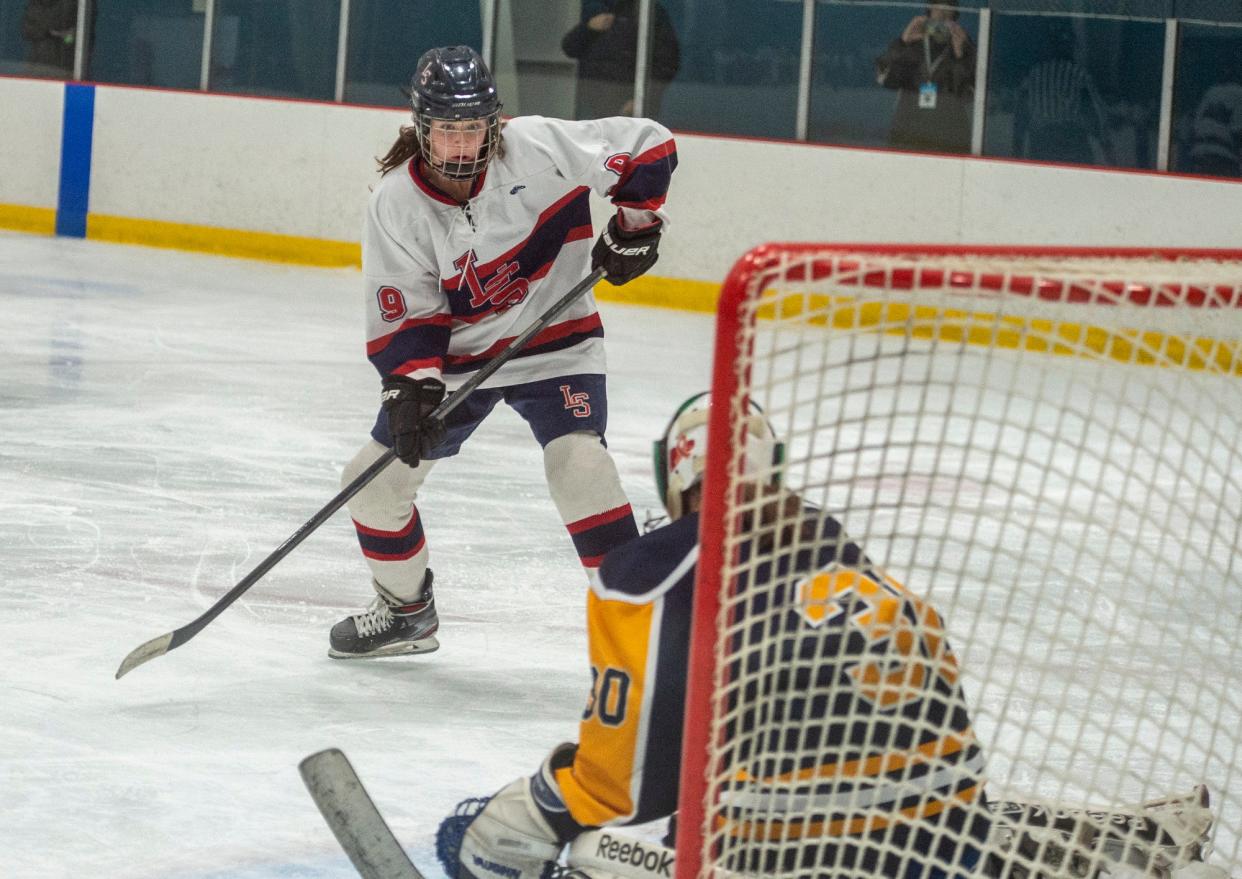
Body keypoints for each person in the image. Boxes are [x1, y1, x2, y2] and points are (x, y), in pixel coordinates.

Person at [434, 392, 992, 879]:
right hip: (956, 847)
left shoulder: (650, 570)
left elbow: (622, 782)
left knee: (594, 854)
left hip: (786, 858)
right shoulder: (834, 547)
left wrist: (537, 809)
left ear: (673, 474)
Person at [329, 46, 677, 659]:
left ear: (493, 124)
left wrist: (635, 226)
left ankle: (643, 631)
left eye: (473, 128)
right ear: (420, 129)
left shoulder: (538, 147)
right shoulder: (395, 204)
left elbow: (648, 146)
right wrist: (411, 387)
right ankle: (407, 611)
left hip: (556, 343)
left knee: (581, 468)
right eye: (446, 130)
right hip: (460, 361)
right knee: (372, 483)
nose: (462, 146)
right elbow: (408, 312)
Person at [875, 1, 975, 154]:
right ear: (928, 13)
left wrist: (960, 55)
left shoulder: (964, 47)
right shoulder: (913, 44)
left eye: (947, 11)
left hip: (949, 138)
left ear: (955, 17)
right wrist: (902, 42)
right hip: (908, 134)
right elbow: (886, 79)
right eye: (938, 10)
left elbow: (968, 95)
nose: (942, 16)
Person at [562, 0, 680, 119]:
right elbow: (569, 48)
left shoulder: (648, 12)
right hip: (595, 102)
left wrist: (641, 99)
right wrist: (588, 28)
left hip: (629, 105)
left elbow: (667, 63)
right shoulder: (600, 9)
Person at [22, 0, 77, 76]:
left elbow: (75, 36)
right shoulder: (36, 4)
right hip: (37, 65)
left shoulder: (74, 4)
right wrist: (52, 33)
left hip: (64, 68)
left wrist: (66, 38)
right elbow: (27, 30)